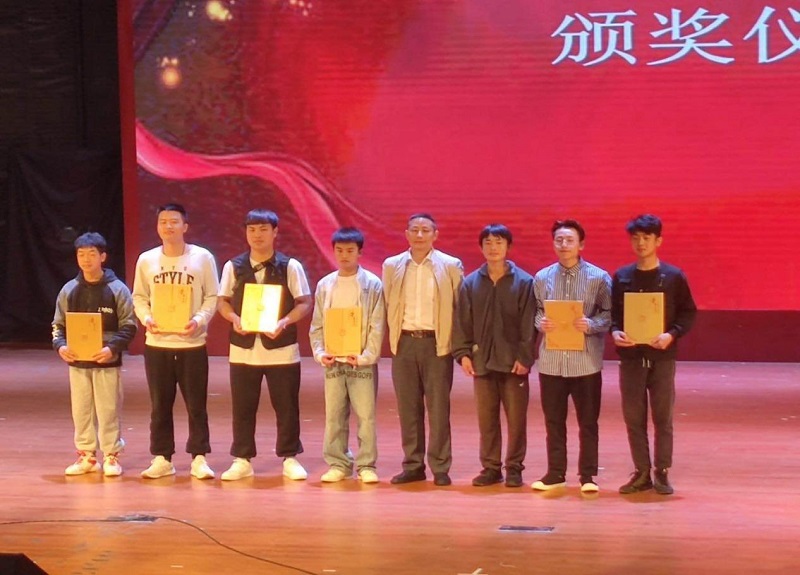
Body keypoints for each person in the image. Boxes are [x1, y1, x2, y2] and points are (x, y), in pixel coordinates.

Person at [216, 209, 312, 481]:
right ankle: (242, 459)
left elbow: (304, 302)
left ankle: (290, 457)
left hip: (282, 349)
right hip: (243, 349)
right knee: (243, 407)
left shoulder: (290, 266)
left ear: (275, 232)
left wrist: (284, 321)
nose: (257, 235)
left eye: (263, 229)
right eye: (252, 229)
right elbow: (222, 301)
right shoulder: (233, 266)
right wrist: (234, 318)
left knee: (287, 406)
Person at [611, 214, 697, 495]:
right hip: (631, 358)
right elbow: (613, 315)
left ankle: (662, 471)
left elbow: (688, 313)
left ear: (658, 240)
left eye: (646, 238)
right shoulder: (622, 276)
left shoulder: (673, 277)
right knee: (633, 418)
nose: (641, 243)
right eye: (635, 238)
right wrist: (615, 332)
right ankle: (641, 472)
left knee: (663, 418)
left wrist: (671, 334)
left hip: (662, 357)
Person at [132, 203, 219, 479]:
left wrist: (199, 320)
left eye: (174, 221)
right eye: (163, 222)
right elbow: (139, 297)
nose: (168, 226)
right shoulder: (147, 260)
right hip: (157, 344)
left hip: (192, 343)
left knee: (196, 405)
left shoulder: (202, 257)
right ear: (157, 227)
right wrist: (146, 318)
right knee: (160, 405)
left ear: (185, 226)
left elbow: (212, 296)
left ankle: (199, 457)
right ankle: (162, 457)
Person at [382, 213, 463, 486]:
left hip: (436, 344)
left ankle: (440, 467)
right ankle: (413, 465)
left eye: (425, 230)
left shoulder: (450, 265)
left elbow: (459, 307)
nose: (419, 235)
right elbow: (388, 302)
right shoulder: (392, 265)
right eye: (414, 230)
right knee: (408, 408)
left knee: (438, 409)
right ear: (406, 234)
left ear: (435, 235)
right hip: (404, 343)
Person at [452, 224, 535, 488]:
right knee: (486, 419)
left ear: (508, 246)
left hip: (514, 363)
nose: (493, 247)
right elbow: (462, 321)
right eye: (487, 242)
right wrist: (463, 354)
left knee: (516, 420)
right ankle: (490, 468)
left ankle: (514, 468)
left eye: (498, 242)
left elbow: (529, 324)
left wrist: (525, 357)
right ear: (481, 247)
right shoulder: (470, 283)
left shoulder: (524, 282)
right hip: (483, 362)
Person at [532, 219, 611, 493]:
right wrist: (540, 322)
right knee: (553, 422)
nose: (564, 245)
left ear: (581, 244)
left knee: (588, 422)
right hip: (551, 362)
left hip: (585, 362)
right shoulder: (542, 277)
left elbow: (609, 314)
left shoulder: (599, 278)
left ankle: (588, 476)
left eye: (569, 240)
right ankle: (555, 473)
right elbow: (537, 311)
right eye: (559, 240)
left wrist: (591, 324)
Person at [52, 232, 137, 477]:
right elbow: (58, 325)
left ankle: (111, 455)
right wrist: (61, 346)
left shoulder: (117, 289)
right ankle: (87, 456)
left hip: (107, 360)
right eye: (81, 254)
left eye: (91, 254)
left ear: (103, 256)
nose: (86, 259)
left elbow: (129, 325)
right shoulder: (69, 290)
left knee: (108, 408)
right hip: (78, 361)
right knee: (81, 410)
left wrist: (112, 348)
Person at [309, 227, 385, 484]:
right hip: (333, 362)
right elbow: (317, 324)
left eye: (350, 250)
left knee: (366, 416)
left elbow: (376, 324)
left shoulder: (372, 284)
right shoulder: (325, 285)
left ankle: (366, 465)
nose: (344, 255)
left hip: (360, 362)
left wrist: (366, 356)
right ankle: (338, 463)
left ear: (359, 253)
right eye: (339, 250)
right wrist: (320, 353)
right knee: (334, 416)